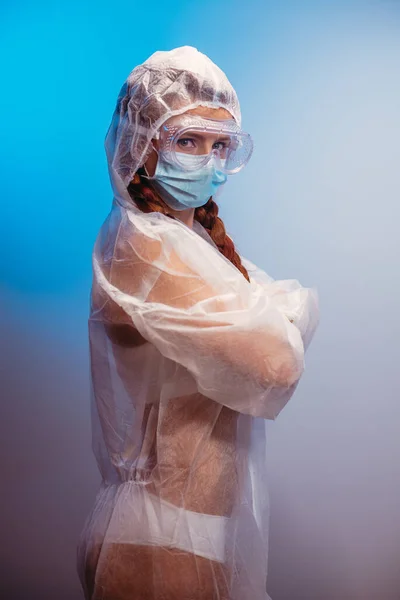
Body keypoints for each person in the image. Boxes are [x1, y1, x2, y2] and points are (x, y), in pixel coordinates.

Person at [76, 45, 319, 600]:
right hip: (158, 537)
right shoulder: (144, 246)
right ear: (141, 142)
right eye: (187, 140)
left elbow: (280, 316)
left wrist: (268, 319)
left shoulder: (194, 245)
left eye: (220, 145)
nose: (207, 161)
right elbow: (278, 361)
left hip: (195, 536)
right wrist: (268, 318)